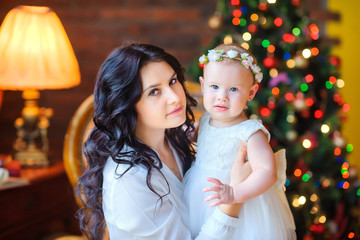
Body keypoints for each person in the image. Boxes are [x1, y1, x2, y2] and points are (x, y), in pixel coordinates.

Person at [76, 43, 251, 240]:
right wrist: (234, 201)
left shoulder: (173, 138)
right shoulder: (129, 180)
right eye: (154, 92)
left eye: (173, 81)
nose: (175, 97)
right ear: (127, 105)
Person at [183, 43, 296, 239]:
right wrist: (190, 135)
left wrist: (236, 194)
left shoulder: (251, 132)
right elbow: (204, 141)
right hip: (202, 195)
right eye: (214, 87)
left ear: (251, 93)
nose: (222, 97)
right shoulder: (205, 119)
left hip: (244, 206)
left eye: (233, 89)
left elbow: (267, 172)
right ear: (203, 86)